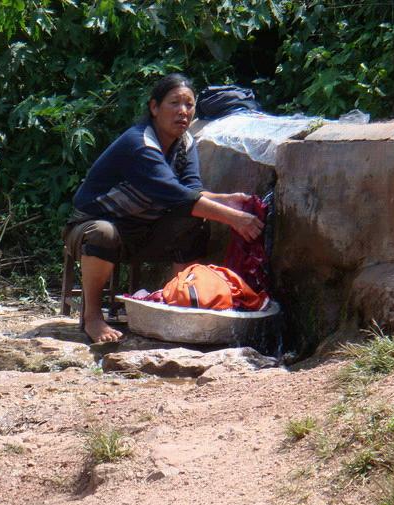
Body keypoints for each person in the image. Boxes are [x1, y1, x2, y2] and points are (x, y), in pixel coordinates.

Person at [63, 73, 263, 343]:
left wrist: (227, 200)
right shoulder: (139, 144)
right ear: (154, 108)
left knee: (194, 223)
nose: (183, 111)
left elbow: (192, 190)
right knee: (103, 232)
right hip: (93, 230)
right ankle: (92, 318)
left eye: (189, 105)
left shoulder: (185, 142)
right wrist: (235, 218)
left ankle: (180, 303)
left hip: (145, 230)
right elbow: (174, 194)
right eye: (174, 103)